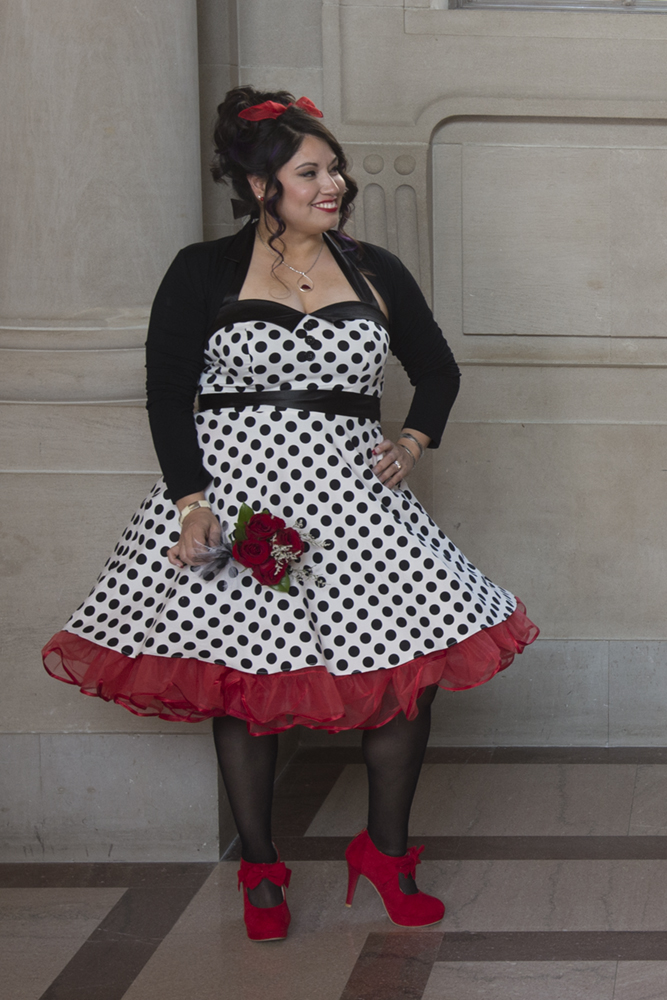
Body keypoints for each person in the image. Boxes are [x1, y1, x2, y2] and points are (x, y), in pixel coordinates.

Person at [43, 87, 538, 942]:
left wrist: (413, 441)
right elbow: (167, 397)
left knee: (403, 677)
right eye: (311, 169)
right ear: (258, 180)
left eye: (334, 166)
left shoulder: (375, 269)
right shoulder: (200, 270)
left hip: (356, 509)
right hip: (241, 509)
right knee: (246, 678)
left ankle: (385, 853)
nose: (334, 181)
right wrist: (191, 502)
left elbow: (438, 371)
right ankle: (263, 872)